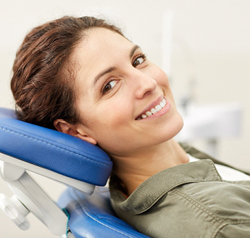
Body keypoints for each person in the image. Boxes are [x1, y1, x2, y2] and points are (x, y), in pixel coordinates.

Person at [11, 16, 250, 237]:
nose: (148, 83)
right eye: (110, 85)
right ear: (75, 131)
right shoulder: (219, 222)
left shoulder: (170, 166)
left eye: (138, 60)